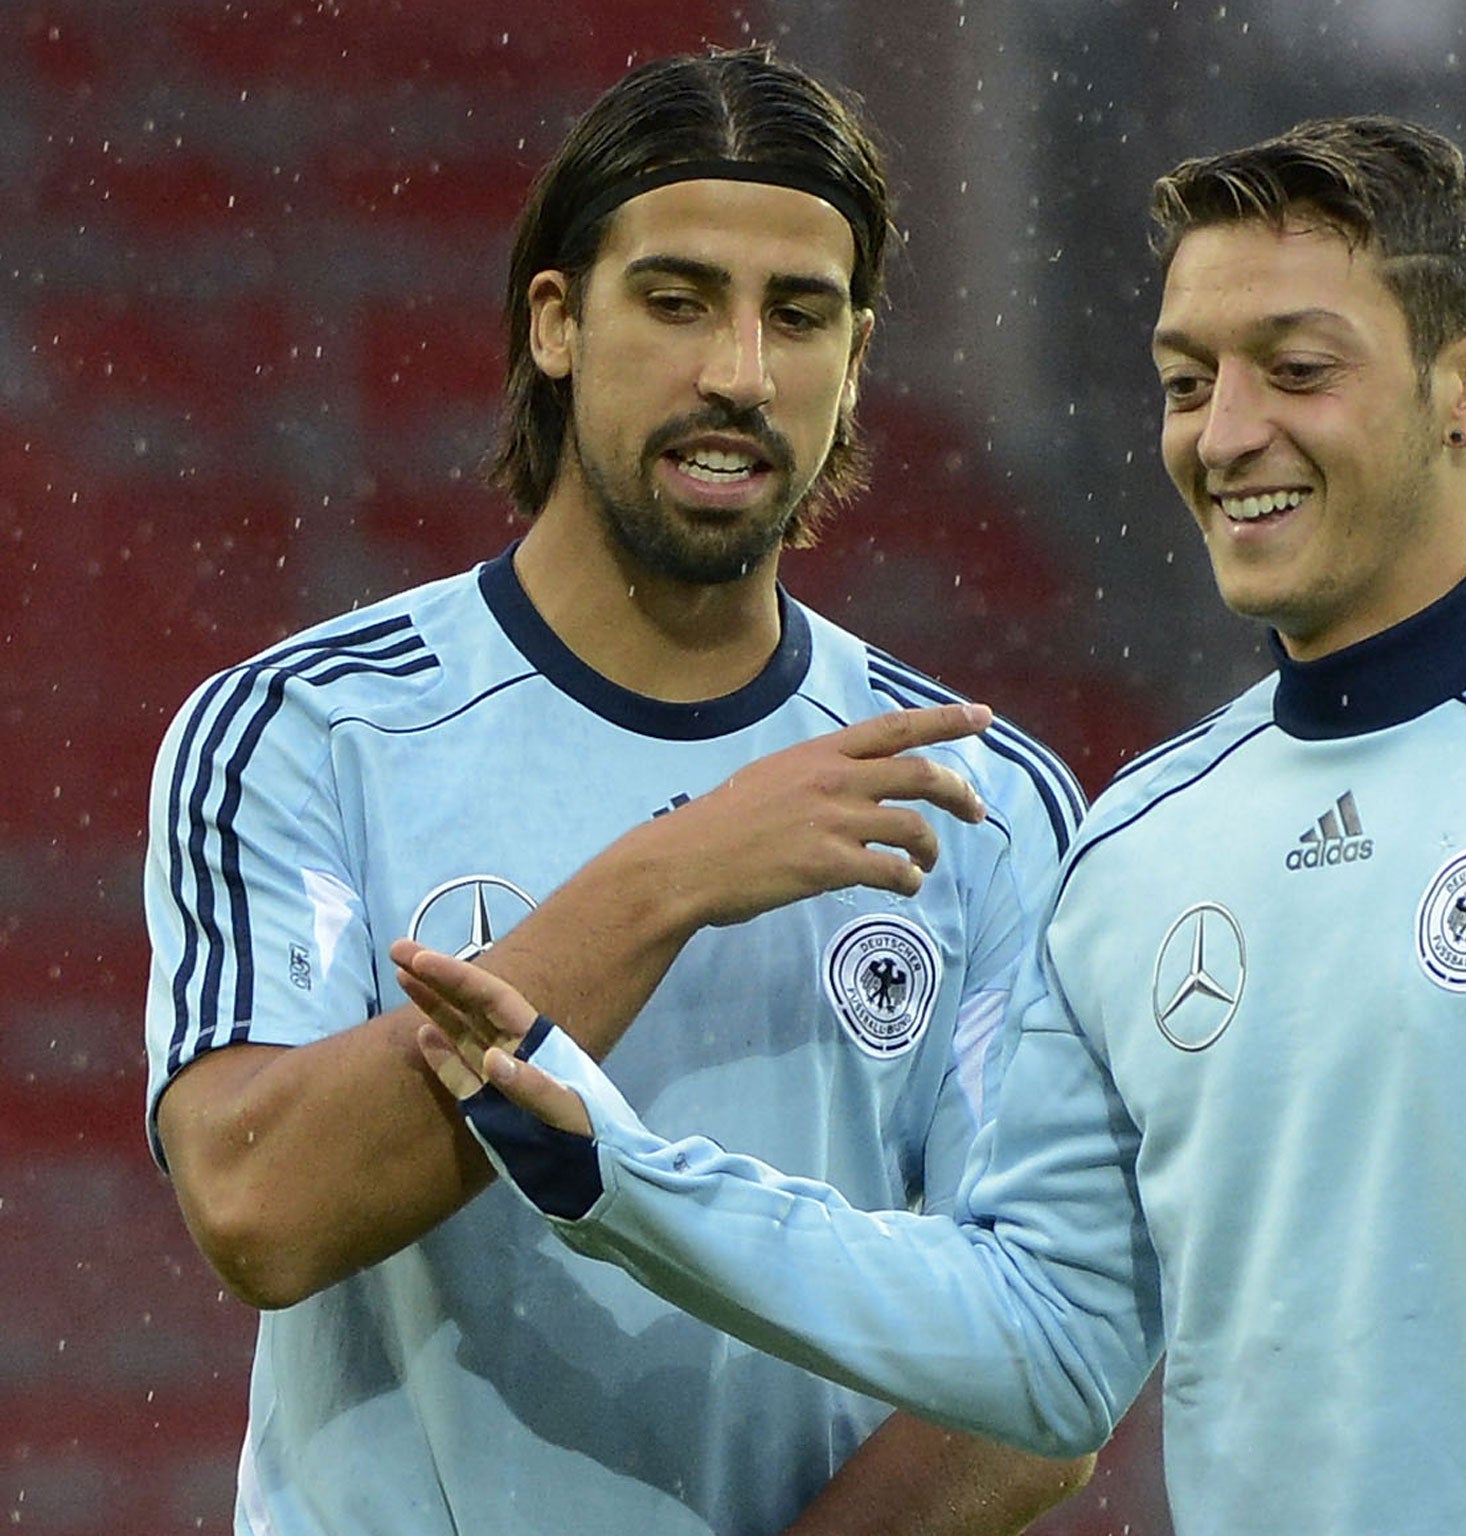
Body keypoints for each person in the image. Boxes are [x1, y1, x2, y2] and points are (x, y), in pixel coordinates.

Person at [396, 115, 1466, 1535]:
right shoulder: (1137, 846)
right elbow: (1047, 1343)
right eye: (1189, 381)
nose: (1226, 432)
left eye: (1295, 369)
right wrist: (628, 1177)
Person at [141, 46, 1096, 1536]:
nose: (737, 371)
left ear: (855, 363)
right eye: (676, 300)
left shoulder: (986, 800)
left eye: (800, 315)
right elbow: (263, 1212)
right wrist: (669, 877)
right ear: (555, 323)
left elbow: (1047, 1370)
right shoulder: (307, 730)